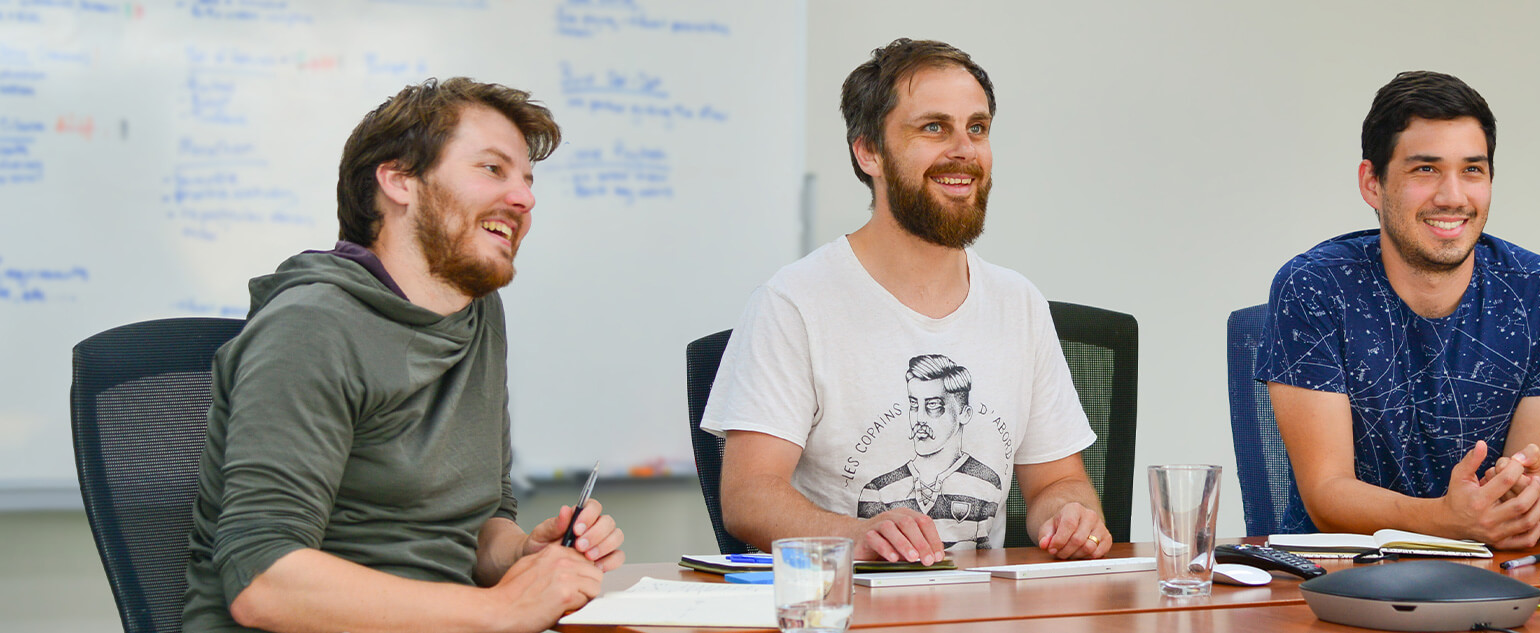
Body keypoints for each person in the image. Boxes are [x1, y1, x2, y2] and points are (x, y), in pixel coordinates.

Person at [182, 77, 625, 633]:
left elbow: (477, 524)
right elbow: (263, 581)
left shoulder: (477, 313)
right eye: (493, 169)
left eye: (527, 180)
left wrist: (520, 558)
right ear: (398, 181)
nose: (524, 198)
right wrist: (499, 609)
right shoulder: (312, 326)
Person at [701, 38, 1111, 564]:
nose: (964, 149)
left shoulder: (1019, 303)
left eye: (977, 128)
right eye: (934, 127)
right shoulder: (794, 302)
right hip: (849, 603)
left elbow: (1056, 480)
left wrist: (1069, 513)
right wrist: (857, 535)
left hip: (984, 610)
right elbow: (749, 496)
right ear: (868, 152)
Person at [1258, 71, 1540, 549]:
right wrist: (1446, 520)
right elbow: (1326, 495)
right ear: (1372, 183)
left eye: (1472, 170)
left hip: (1485, 577)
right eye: (1425, 169)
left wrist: (1526, 503)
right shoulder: (1315, 287)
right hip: (1337, 577)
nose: (1453, 196)